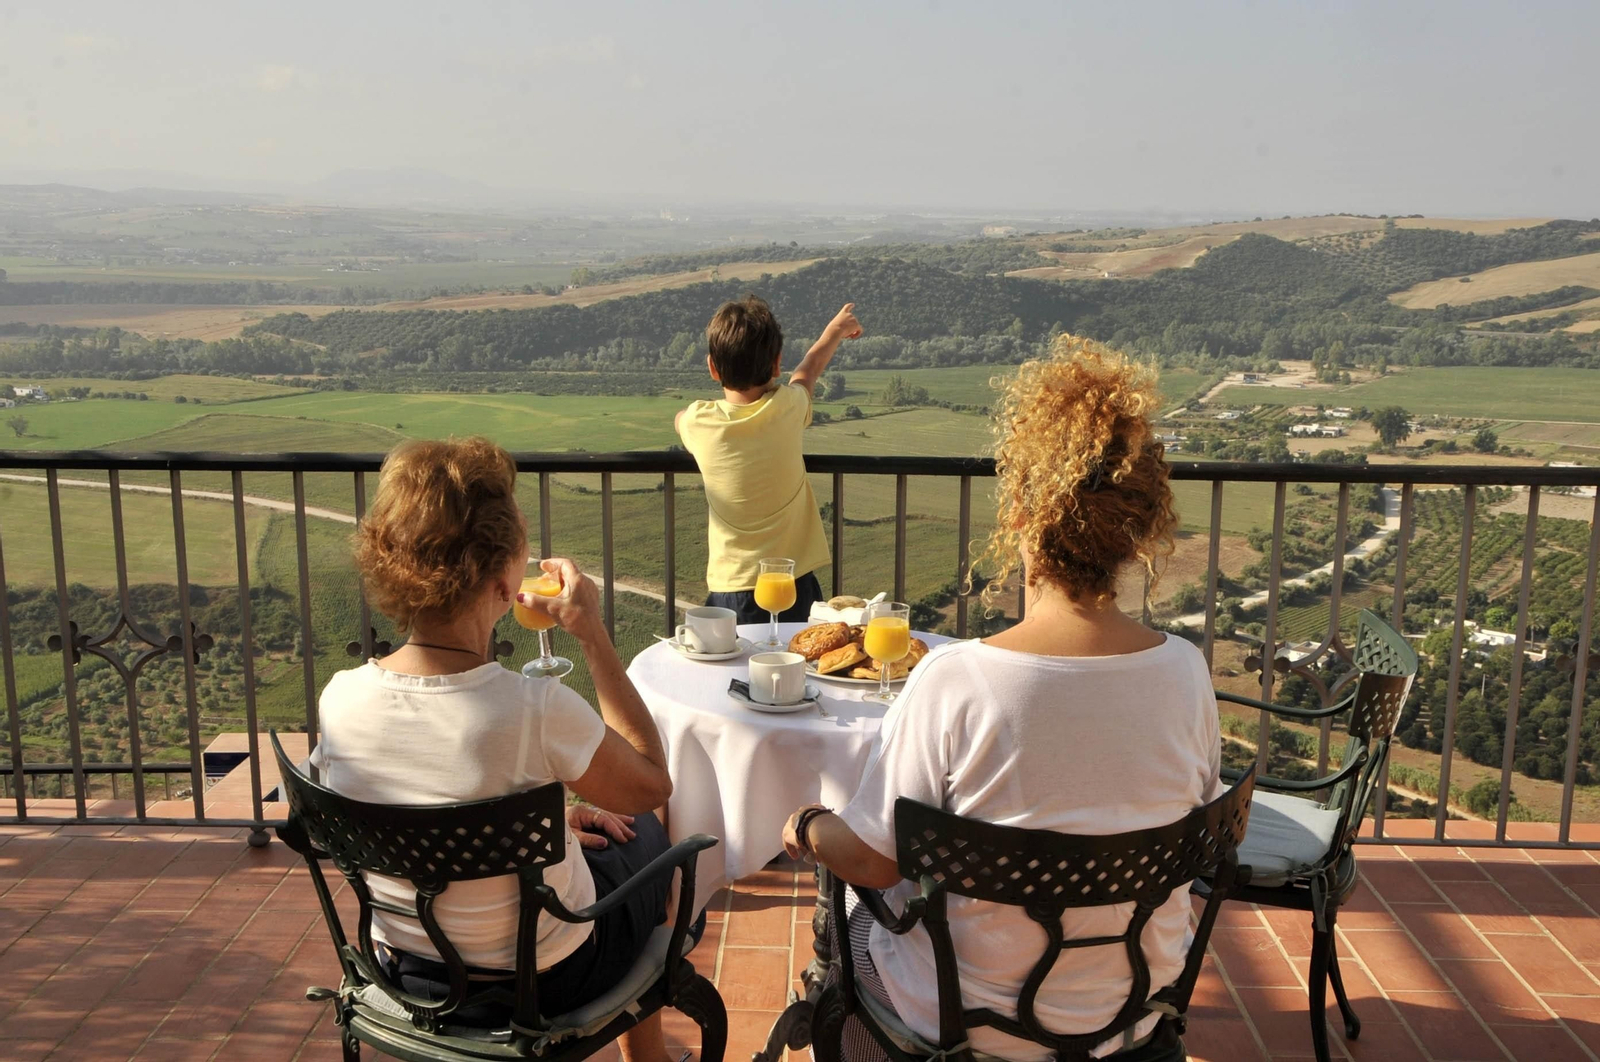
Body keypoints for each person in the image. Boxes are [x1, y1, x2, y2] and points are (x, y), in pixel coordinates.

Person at [782, 338, 1223, 1062]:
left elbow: (872, 861)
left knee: (852, 918)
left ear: (1019, 511)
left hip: (966, 1027)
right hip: (1132, 1016)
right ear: (1138, 527)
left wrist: (803, 823)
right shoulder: (1184, 673)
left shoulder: (959, 680)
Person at [313, 437, 682, 1062]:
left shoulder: (341, 699)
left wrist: (546, 826)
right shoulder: (533, 708)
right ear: (503, 575)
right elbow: (651, 782)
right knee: (648, 836)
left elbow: (411, 800)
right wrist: (590, 631)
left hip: (409, 969)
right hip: (547, 977)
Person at [675, 295, 862, 624]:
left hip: (732, 589)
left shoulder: (699, 422)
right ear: (776, 364)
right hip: (794, 582)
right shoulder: (787, 407)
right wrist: (834, 331)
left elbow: (680, 420)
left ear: (712, 367)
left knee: (733, 674)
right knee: (801, 669)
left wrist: (684, 419)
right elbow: (807, 373)